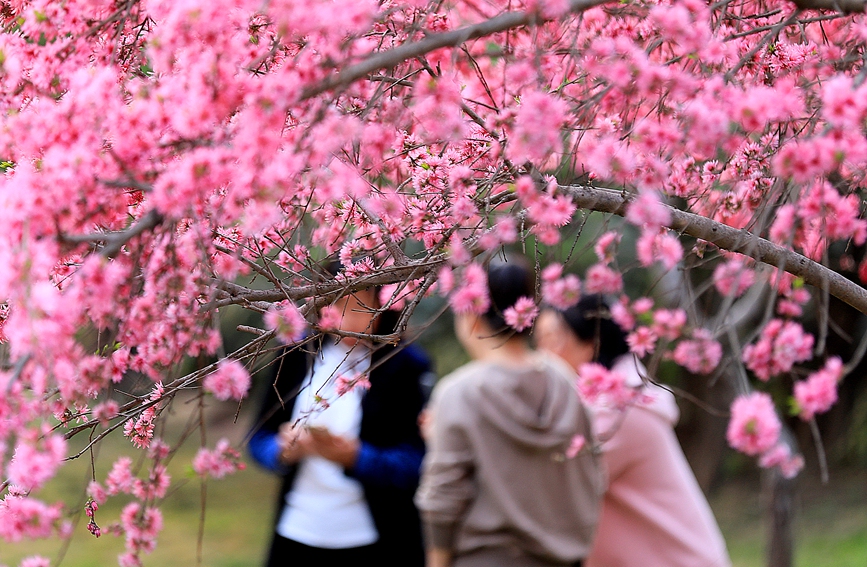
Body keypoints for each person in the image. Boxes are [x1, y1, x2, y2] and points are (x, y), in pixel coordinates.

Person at [415, 258, 604, 567]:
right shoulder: (565, 381)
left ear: (470, 316)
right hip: (563, 557)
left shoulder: (461, 392)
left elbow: (443, 499)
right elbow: (592, 472)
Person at [535, 294, 731, 567]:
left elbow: (554, 494)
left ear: (591, 344)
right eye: (539, 341)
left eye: (553, 338)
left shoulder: (618, 412)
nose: (543, 354)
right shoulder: (614, 404)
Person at [248, 281, 433, 567]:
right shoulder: (297, 352)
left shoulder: (405, 364)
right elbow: (259, 437)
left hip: (373, 536)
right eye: (340, 304)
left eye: (362, 307)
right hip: (298, 528)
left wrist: (357, 458)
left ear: (385, 306)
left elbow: (417, 462)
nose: (348, 319)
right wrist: (282, 450)